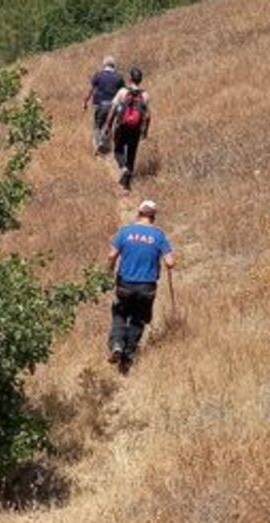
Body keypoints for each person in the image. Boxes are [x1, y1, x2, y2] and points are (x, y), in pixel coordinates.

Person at [107, 200, 176, 373]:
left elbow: (112, 255)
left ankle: (116, 344)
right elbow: (170, 262)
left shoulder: (125, 232)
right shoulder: (158, 236)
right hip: (147, 287)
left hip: (125, 284)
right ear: (153, 217)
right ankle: (127, 357)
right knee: (138, 320)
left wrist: (108, 271)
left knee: (120, 314)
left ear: (138, 214)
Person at [104, 67, 151, 192]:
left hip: (122, 126)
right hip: (136, 128)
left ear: (130, 79)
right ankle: (127, 185)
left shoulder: (122, 92)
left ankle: (123, 168)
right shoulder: (145, 95)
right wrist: (145, 131)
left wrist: (108, 125)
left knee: (118, 150)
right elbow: (147, 116)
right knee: (131, 154)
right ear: (140, 80)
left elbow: (113, 110)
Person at [83, 56, 124, 154]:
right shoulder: (119, 77)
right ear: (113, 65)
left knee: (98, 125)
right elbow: (123, 92)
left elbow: (91, 90)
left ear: (104, 64)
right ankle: (106, 145)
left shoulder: (98, 75)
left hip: (100, 105)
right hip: (113, 106)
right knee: (110, 125)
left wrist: (85, 101)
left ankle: (99, 144)